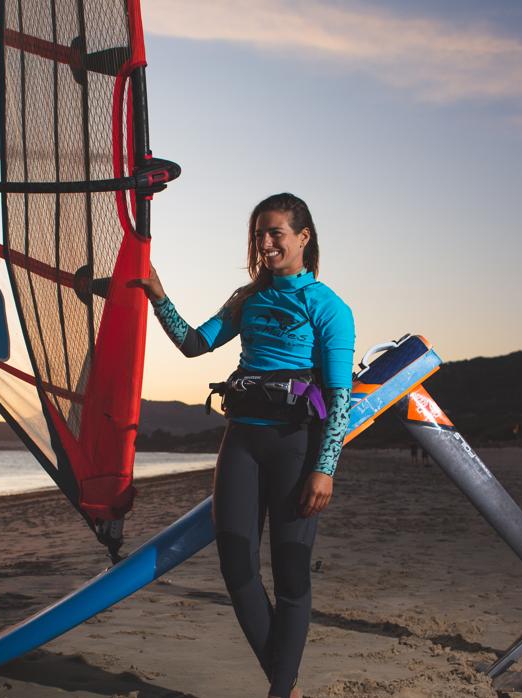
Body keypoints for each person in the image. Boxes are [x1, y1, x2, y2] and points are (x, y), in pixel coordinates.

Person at [131, 193, 355, 698]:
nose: (267, 243)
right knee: (237, 567)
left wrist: (326, 469)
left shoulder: (328, 308)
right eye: (259, 234)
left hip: (295, 448)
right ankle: (287, 688)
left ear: (304, 237)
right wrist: (157, 295)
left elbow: (340, 398)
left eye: (276, 232)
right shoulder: (246, 299)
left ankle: (280, 692)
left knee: (291, 575)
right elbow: (193, 343)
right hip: (242, 444)